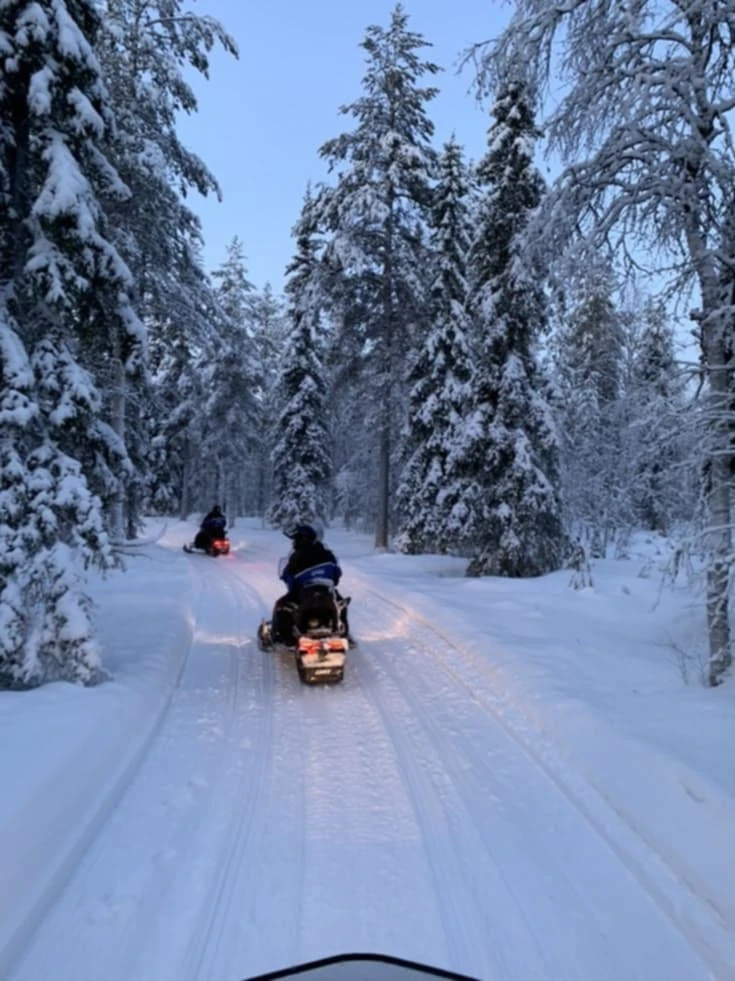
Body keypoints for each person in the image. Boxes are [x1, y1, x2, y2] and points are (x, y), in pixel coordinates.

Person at [271, 524, 354, 647]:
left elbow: (290, 578)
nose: (293, 542)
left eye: (295, 539)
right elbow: (337, 575)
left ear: (301, 540)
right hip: (326, 590)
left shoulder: (296, 557)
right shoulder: (327, 554)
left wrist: (290, 579)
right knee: (341, 604)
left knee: (281, 606)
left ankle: (284, 638)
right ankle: (345, 634)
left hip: (305, 592)